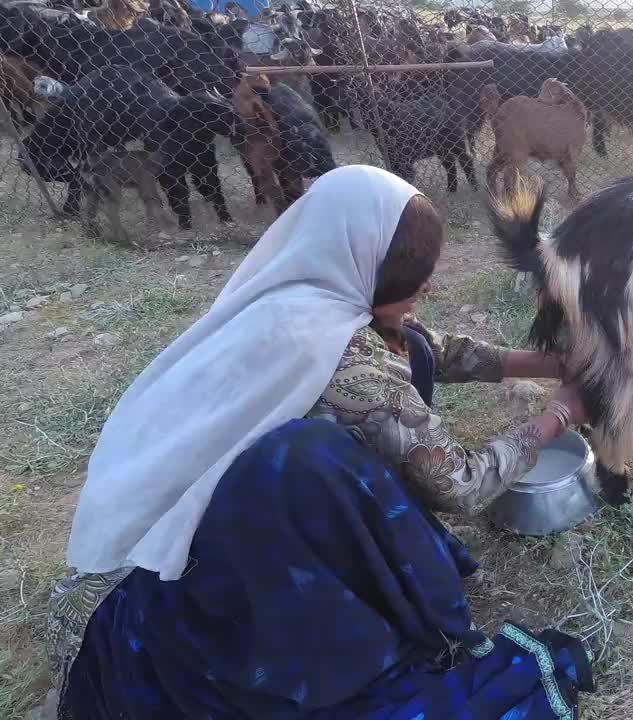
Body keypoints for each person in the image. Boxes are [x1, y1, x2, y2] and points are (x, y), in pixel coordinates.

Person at [46, 166, 595, 719]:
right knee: (322, 459)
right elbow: (461, 484)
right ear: (369, 264)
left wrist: (548, 362)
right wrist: (559, 414)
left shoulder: (295, 291)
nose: (427, 285)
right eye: (413, 273)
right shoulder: (345, 364)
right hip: (230, 569)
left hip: (193, 523)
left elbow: (425, 348)